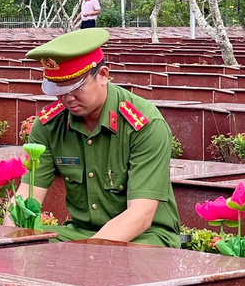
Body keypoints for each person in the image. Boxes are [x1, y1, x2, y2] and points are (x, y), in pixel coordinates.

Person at [10, 28, 181, 247]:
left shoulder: (144, 125)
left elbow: (141, 215)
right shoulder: (49, 126)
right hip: (81, 233)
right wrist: (9, 244)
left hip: (146, 236)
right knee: (27, 243)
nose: (67, 97)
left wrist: (86, 256)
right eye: (59, 88)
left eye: (76, 87)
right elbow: (27, 194)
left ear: (103, 75)